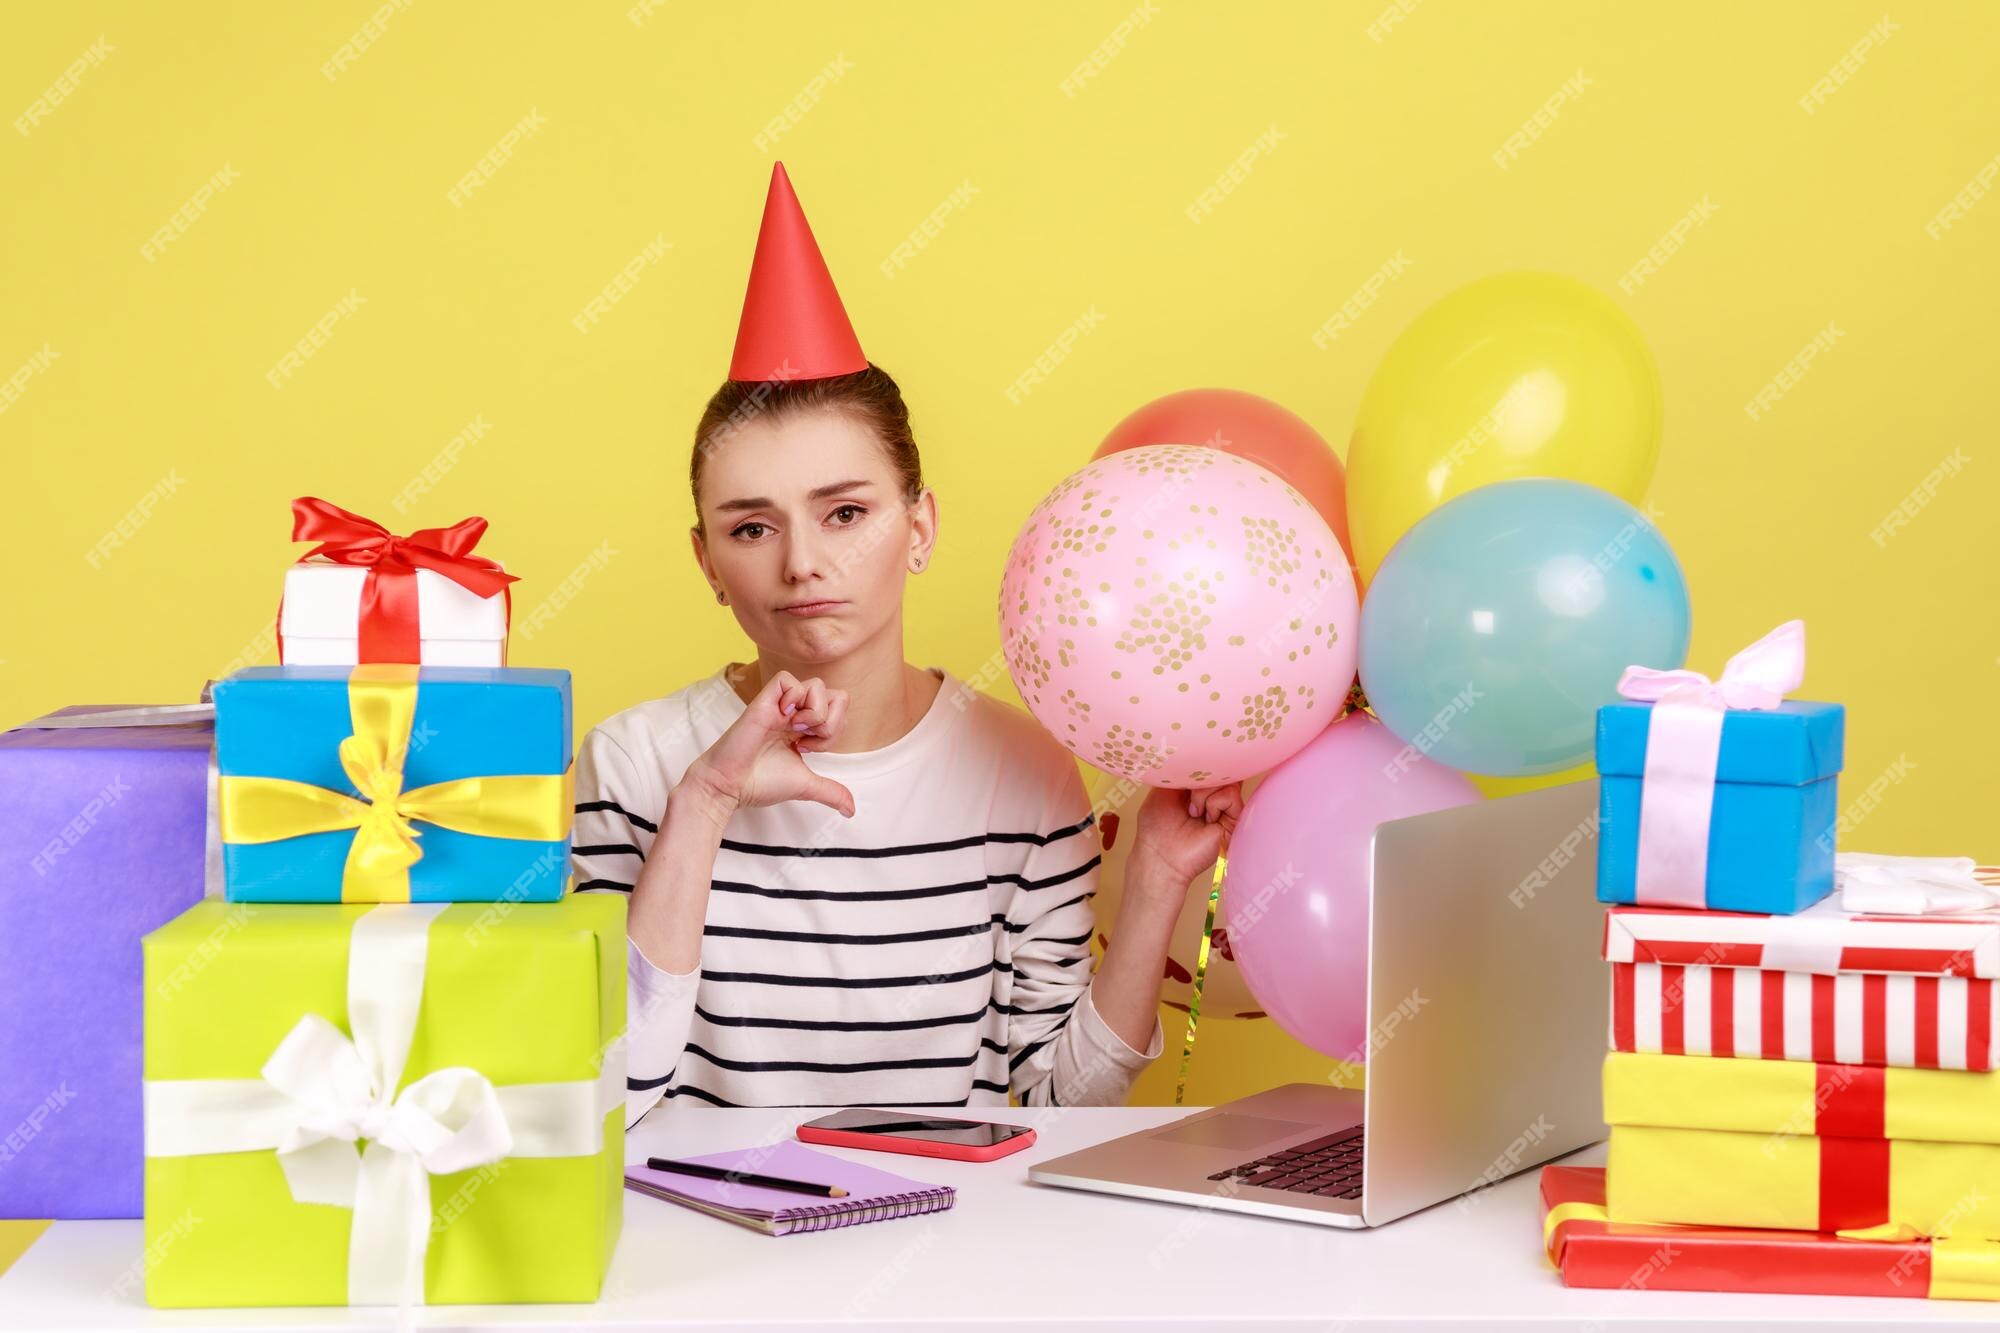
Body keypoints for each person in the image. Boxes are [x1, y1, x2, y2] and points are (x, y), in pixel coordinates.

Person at [574, 164, 1241, 1125]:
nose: (802, 562)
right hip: (699, 1252)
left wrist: (1156, 883)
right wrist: (706, 803)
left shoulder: (1023, 772)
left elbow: (1060, 1100)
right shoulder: (633, 763)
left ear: (919, 527)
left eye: (846, 512)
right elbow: (602, 1099)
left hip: (942, 1253)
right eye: (751, 528)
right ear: (707, 562)